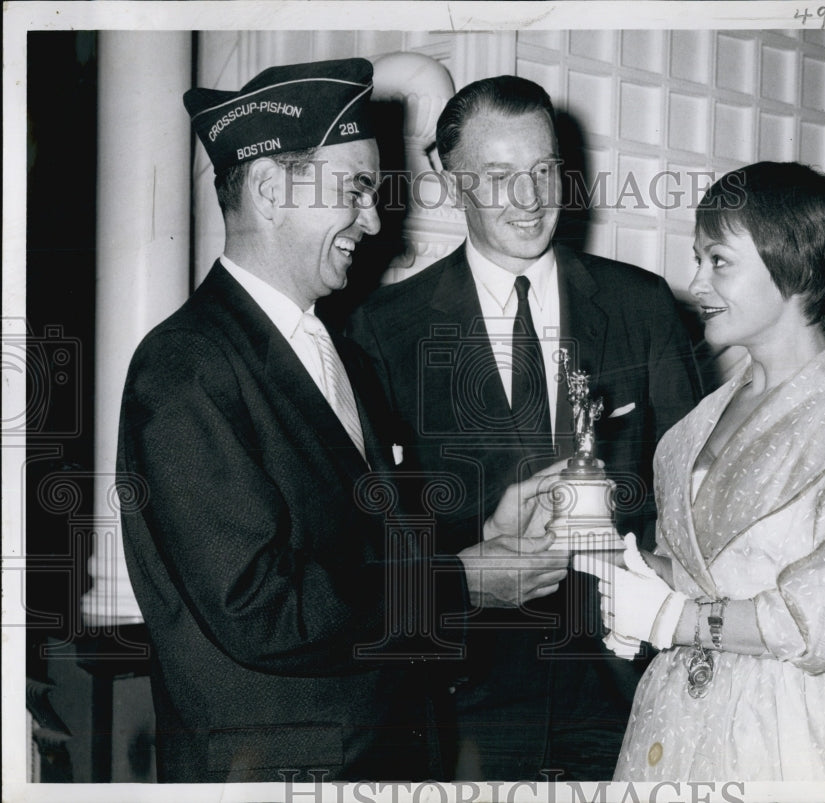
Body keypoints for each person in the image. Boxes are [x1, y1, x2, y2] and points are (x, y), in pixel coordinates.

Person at [116, 59, 569, 783]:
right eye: (355, 190)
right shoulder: (186, 367)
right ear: (269, 190)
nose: (374, 219)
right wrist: (465, 582)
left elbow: (358, 551)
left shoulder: (342, 354)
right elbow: (260, 606)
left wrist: (486, 536)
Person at [348, 75, 700, 780]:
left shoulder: (642, 305)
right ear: (451, 182)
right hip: (464, 700)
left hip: (625, 693)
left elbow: (695, 498)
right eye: (500, 177)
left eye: (543, 172)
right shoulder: (382, 331)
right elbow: (374, 535)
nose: (531, 199)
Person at [587, 161, 825, 780]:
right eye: (697, 259)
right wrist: (624, 563)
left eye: (718, 261)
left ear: (791, 267)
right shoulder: (699, 420)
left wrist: (671, 619)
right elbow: (701, 571)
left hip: (790, 726)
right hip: (674, 711)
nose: (696, 282)